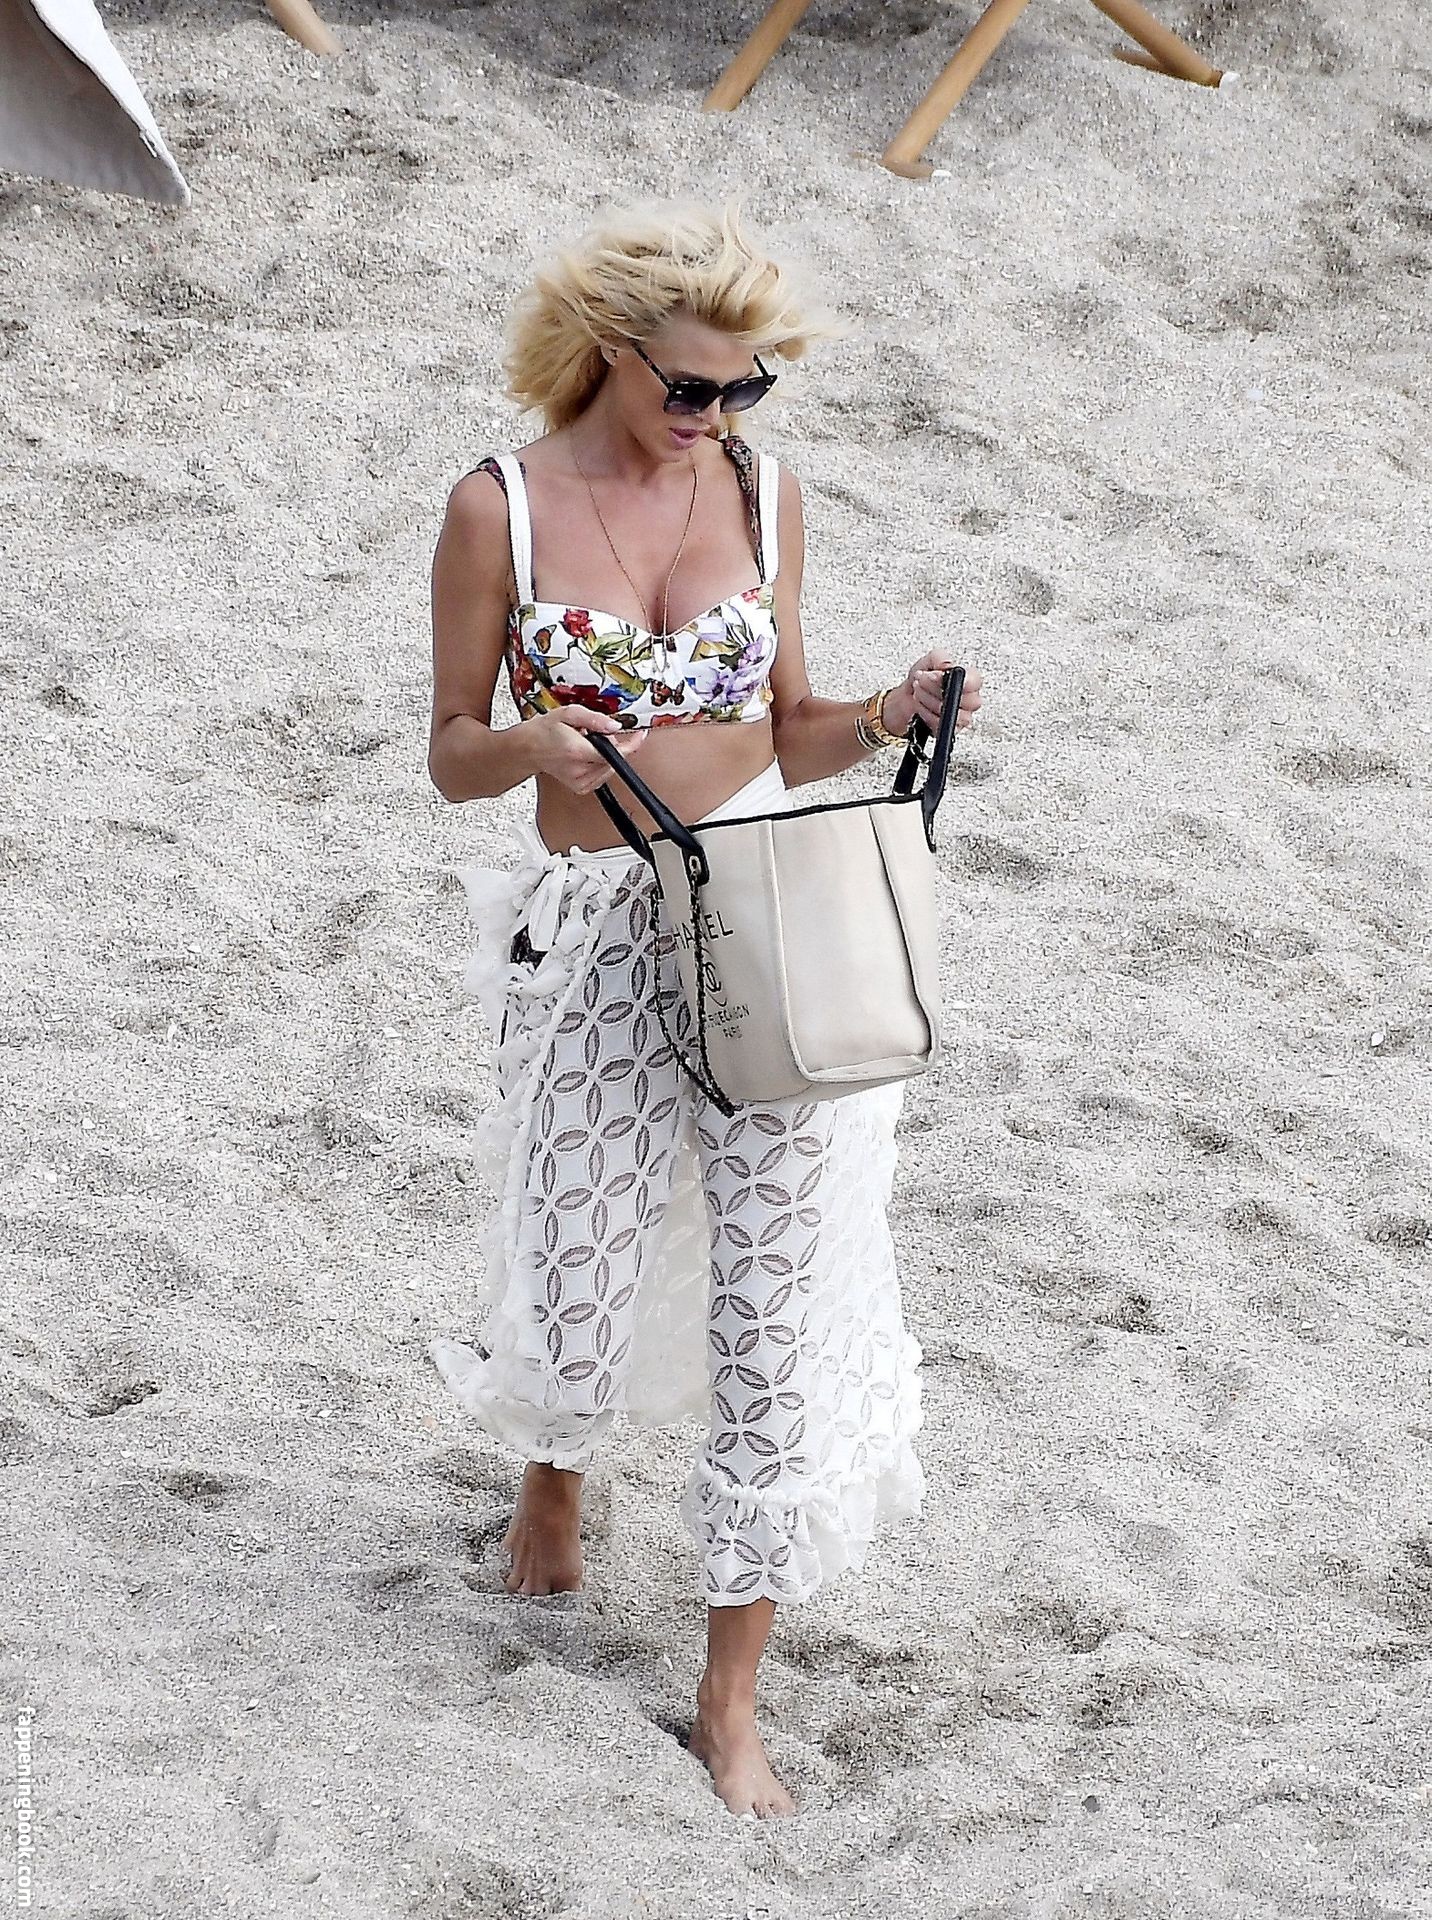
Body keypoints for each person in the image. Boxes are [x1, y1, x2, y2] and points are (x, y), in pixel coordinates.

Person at [425, 199, 982, 1819]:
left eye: (746, 388)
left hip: (768, 926)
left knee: (774, 1312)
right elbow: (449, 750)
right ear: (610, 354)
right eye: (689, 386)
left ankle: (731, 1698)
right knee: (578, 1264)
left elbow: (788, 725)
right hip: (597, 923)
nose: (716, 414)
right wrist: (530, 744)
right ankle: (553, 1476)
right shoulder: (499, 507)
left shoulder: (763, 492)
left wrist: (884, 714)